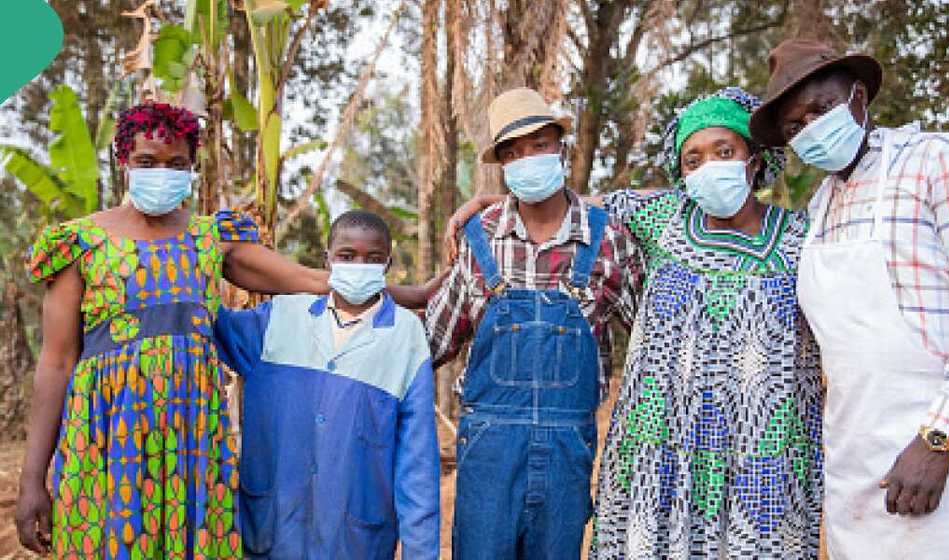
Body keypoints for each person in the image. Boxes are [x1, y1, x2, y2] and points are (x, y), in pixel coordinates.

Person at [448, 87, 824, 558]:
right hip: (660, 451)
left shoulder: (804, 237)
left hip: (759, 452)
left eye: (724, 152)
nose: (710, 167)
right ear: (681, 174)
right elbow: (562, 204)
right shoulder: (662, 217)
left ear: (754, 158)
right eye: (693, 159)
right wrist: (491, 199)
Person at [748, 39, 949, 559]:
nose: (809, 129)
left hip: (936, 446)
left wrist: (937, 440)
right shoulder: (821, 203)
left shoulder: (940, 161)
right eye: (793, 127)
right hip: (853, 449)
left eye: (821, 109)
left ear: (858, 98)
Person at [14, 102, 330, 558]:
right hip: (106, 438)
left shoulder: (210, 238)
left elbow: (310, 280)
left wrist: (406, 293)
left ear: (191, 167)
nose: (161, 172)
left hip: (192, 438)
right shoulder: (80, 243)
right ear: (124, 162)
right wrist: (31, 481)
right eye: (147, 162)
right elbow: (57, 362)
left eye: (176, 164)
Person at [425, 87, 644, 559]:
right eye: (514, 152)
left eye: (540, 146)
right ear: (502, 166)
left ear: (561, 149)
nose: (528, 159)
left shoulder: (609, 239)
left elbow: (653, 346)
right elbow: (431, 342)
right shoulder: (479, 238)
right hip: (488, 451)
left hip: (570, 452)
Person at [213, 210, 440, 559]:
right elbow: (204, 321)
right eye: (347, 256)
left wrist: (420, 553)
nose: (359, 266)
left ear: (388, 264)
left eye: (374, 259)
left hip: (357, 542)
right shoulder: (279, 318)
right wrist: (196, 244)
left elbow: (417, 465)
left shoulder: (405, 336)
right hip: (270, 534)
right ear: (327, 259)